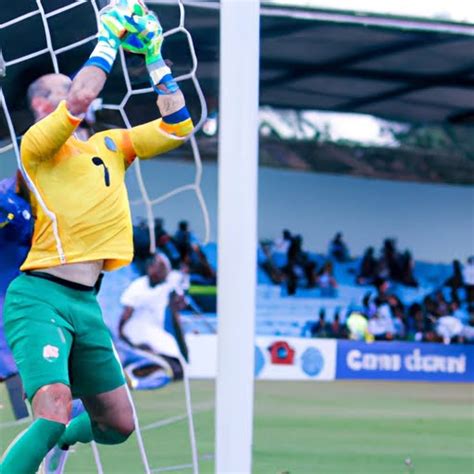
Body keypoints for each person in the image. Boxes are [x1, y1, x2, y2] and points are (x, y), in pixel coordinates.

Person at [0, 2, 194, 472]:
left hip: (86, 303)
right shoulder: (36, 147)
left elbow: (177, 127)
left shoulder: (111, 144)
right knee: (51, 409)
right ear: (41, 105)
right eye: (61, 90)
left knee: (117, 425)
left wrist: (154, 56)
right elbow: (82, 99)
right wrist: (107, 37)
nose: (77, 92)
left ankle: (60, 442)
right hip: (40, 296)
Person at [118, 253, 189, 380]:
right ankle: (135, 370)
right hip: (135, 333)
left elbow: (181, 277)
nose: (165, 271)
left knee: (177, 370)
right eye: (161, 267)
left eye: (165, 268)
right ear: (150, 268)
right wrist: (124, 339)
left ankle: (140, 371)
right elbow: (124, 318)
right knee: (161, 360)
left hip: (156, 333)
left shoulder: (167, 283)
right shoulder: (137, 287)